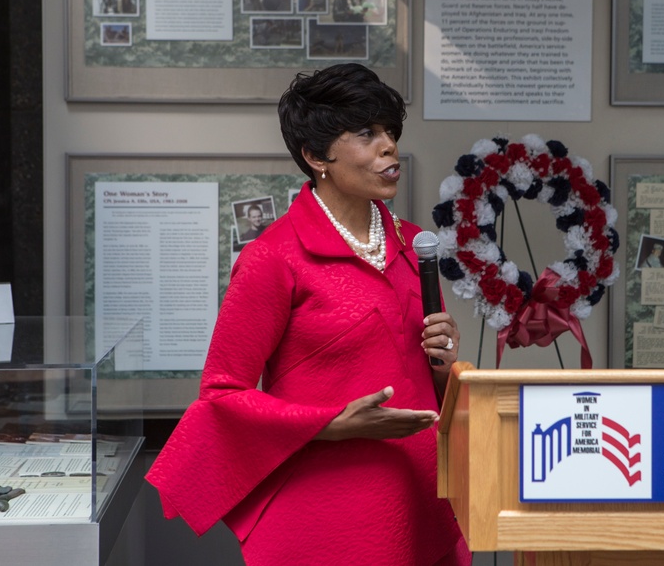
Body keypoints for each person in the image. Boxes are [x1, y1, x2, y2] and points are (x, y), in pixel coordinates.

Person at [145, 64, 471, 565]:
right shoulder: (273, 258)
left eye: (390, 131)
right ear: (316, 155)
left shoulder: (412, 244)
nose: (389, 146)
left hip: (423, 502)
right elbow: (221, 393)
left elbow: (424, 382)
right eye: (366, 133)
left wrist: (446, 366)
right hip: (326, 514)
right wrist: (334, 423)